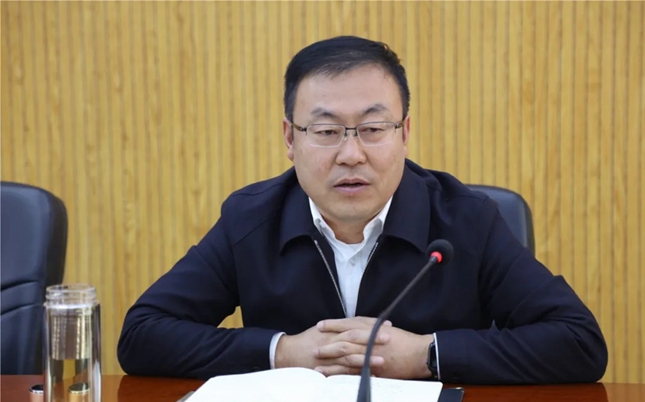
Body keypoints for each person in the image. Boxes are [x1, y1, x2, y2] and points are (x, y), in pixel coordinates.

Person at [117, 36, 608, 384]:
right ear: (290, 138)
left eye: (373, 129)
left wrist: (426, 355)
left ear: (404, 133)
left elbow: (579, 343)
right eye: (327, 131)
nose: (351, 154)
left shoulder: (466, 221)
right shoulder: (251, 219)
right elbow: (142, 335)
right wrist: (283, 351)